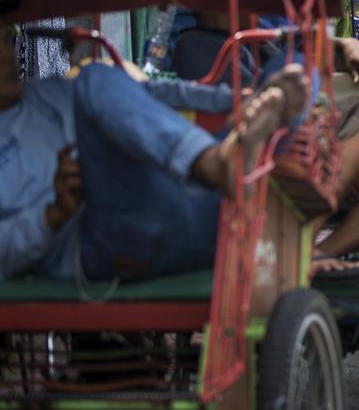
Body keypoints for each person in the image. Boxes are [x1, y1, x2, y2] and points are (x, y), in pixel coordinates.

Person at [0, 24, 308, 281]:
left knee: (296, 69)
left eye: (4, 41)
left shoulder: (48, 92)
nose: (6, 55)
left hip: (192, 208)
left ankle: (227, 165)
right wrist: (53, 214)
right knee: (95, 77)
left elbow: (148, 95)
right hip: (110, 241)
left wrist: (241, 102)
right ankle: (217, 164)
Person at [171, 18, 359, 272]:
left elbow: (305, 40)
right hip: (269, 160)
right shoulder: (198, 44)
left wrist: (345, 44)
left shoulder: (274, 29)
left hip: (319, 153)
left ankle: (314, 254)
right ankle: (298, 248)